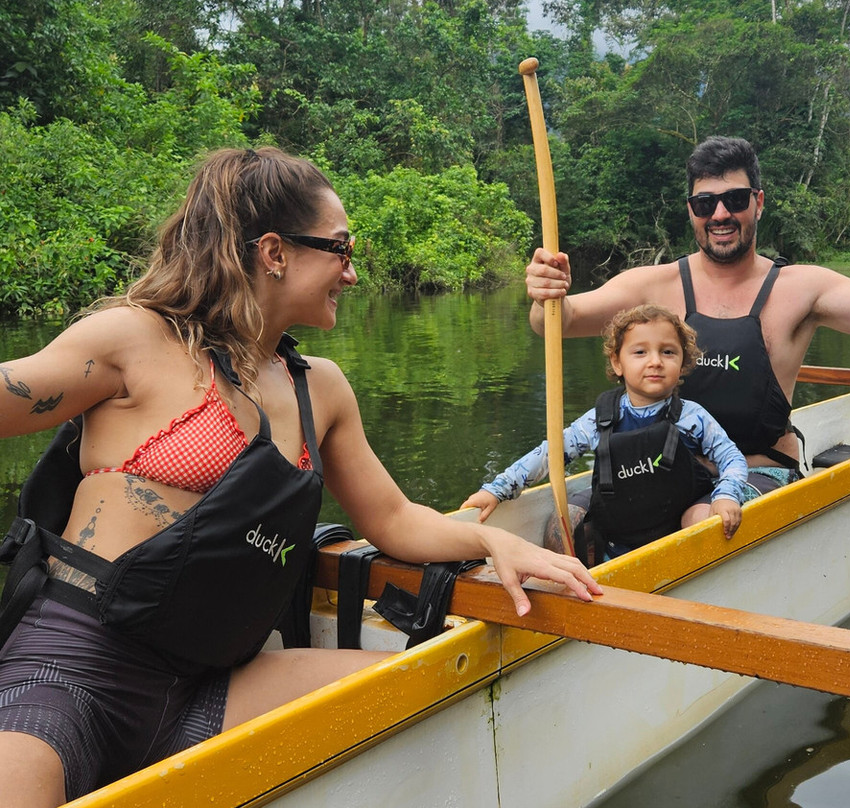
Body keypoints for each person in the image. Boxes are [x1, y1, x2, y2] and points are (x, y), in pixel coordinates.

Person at [0, 146, 602, 808]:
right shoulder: (131, 341)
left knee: (425, 690)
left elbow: (394, 520)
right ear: (274, 253)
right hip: (72, 670)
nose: (352, 272)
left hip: (212, 682)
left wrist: (493, 542)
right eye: (341, 250)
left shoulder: (324, 390)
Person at [525, 124, 850, 493]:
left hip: (760, 473)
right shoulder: (652, 285)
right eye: (705, 204)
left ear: (758, 202)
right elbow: (557, 323)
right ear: (692, 211)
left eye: (736, 199)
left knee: (707, 522)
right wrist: (547, 295)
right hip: (666, 473)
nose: (721, 214)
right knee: (571, 529)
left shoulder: (802, 288)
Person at [461, 304, 752, 563]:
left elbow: (733, 460)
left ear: (682, 362)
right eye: (640, 352)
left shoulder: (693, 416)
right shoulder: (601, 417)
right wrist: (497, 489)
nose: (655, 361)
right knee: (566, 519)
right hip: (620, 517)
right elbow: (551, 454)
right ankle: (576, 580)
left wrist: (726, 496)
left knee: (706, 520)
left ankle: (687, 580)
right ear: (617, 363)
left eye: (668, 352)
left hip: (678, 513)